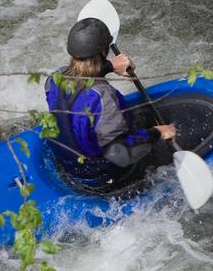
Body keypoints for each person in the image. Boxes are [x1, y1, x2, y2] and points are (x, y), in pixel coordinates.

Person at [44, 15, 177, 188]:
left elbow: (82, 77)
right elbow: (119, 153)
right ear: (104, 51)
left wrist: (110, 66)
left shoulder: (54, 79)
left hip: (68, 164)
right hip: (101, 176)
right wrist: (157, 133)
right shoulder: (104, 98)